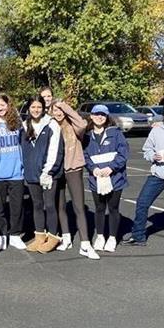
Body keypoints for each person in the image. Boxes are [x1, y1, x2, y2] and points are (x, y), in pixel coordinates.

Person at [123, 99, 164, 252]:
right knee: (142, 203)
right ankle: (138, 236)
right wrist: (153, 156)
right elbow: (147, 150)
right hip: (157, 173)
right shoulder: (157, 130)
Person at [51, 100, 100, 259]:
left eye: (60, 110)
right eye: (55, 110)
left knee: (78, 206)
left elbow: (83, 123)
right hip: (57, 170)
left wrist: (64, 106)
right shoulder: (50, 127)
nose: (58, 113)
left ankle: (85, 243)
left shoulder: (73, 126)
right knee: (60, 206)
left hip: (73, 168)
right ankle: (66, 238)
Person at [83, 104, 129, 253]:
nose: (99, 117)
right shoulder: (87, 135)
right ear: (91, 116)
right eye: (96, 114)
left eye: (103, 114)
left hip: (115, 178)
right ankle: (101, 236)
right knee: (99, 208)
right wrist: (93, 169)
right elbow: (85, 155)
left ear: (107, 116)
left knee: (113, 208)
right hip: (96, 178)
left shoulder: (115, 133)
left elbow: (123, 154)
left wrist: (111, 168)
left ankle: (112, 238)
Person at [21, 96, 63, 254]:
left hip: (48, 174)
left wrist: (48, 171)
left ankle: (53, 236)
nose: (36, 110)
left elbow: (55, 151)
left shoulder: (52, 125)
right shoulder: (24, 126)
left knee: (50, 205)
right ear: (28, 109)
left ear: (43, 108)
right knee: (37, 205)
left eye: (39, 107)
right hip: (32, 174)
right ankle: (39, 236)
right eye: (33, 107)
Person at [0, 94, 27, 251]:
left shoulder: (17, 123)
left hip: (16, 172)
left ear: (8, 105)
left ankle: (15, 235)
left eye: (3, 105)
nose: (0, 108)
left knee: (17, 206)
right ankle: (2, 234)